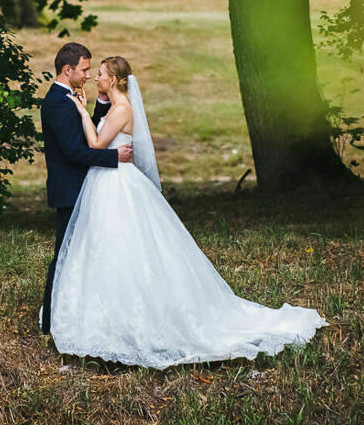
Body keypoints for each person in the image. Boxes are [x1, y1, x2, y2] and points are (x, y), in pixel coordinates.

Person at [48, 55, 329, 369]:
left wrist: (80, 111)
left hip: (116, 185)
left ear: (113, 80)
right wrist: (88, 110)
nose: (95, 78)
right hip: (105, 184)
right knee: (104, 248)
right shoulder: (115, 107)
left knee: (124, 248)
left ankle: (132, 322)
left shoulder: (123, 108)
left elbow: (97, 144)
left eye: (99, 74)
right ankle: (103, 320)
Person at [39, 42, 134, 335]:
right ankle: (50, 320)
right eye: (84, 69)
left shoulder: (69, 98)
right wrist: (112, 157)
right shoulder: (56, 102)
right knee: (65, 253)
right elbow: (72, 151)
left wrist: (99, 106)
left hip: (84, 187)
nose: (88, 75)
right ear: (67, 70)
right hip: (69, 188)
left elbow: (88, 134)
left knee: (83, 252)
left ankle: (80, 312)